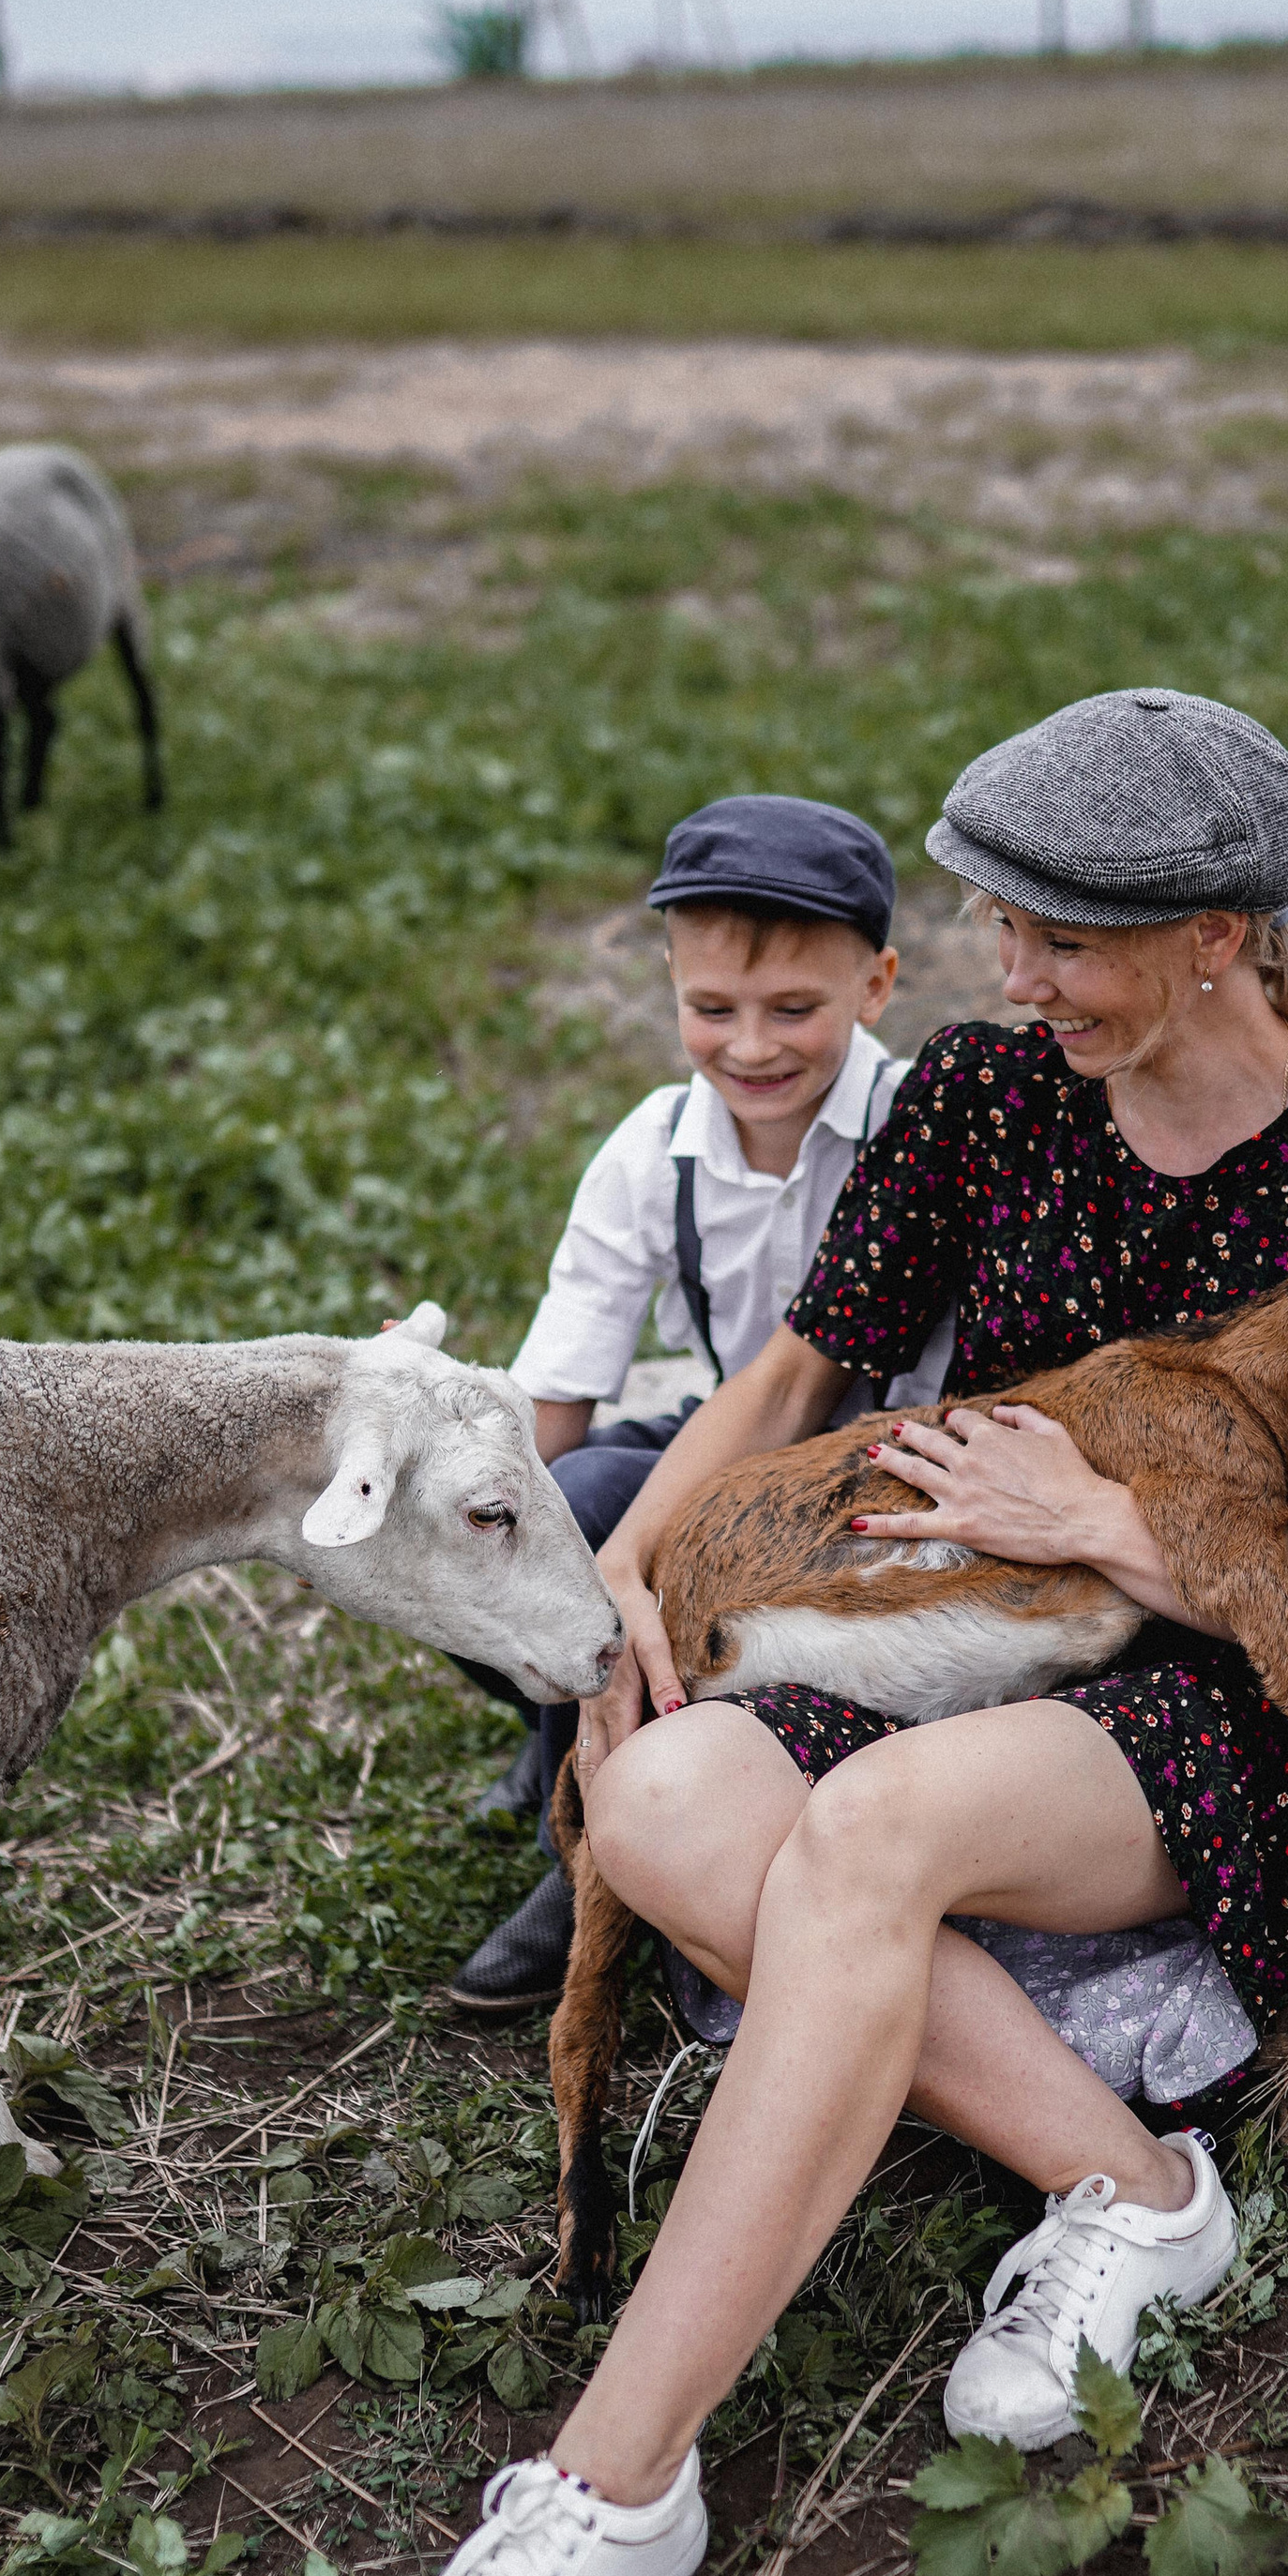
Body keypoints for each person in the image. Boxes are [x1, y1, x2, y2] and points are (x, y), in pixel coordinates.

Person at [353, 687, 1288, 2576]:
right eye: (998, 926)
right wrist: (625, 1584)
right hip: (936, 1635)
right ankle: (1131, 2183)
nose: (1011, 973)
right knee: (673, 1793)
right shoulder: (986, 1098)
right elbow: (803, 1373)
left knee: (860, 1839)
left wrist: (1115, 1531)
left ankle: (608, 2493)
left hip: (1183, 1694)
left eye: (1058, 939)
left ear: (1218, 939)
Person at [448, 792, 913, 2015]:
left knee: (716, 1582)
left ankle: (607, 1858)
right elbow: (568, 1369)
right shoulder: (656, 1148)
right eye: (712, 1010)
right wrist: (520, 1539)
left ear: (876, 987)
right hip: (714, 1441)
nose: (751, 1046)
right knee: (566, 1512)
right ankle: (575, 1773)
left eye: (794, 1010)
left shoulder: (918, 1133)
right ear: (671, 989)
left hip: (869, 1478)